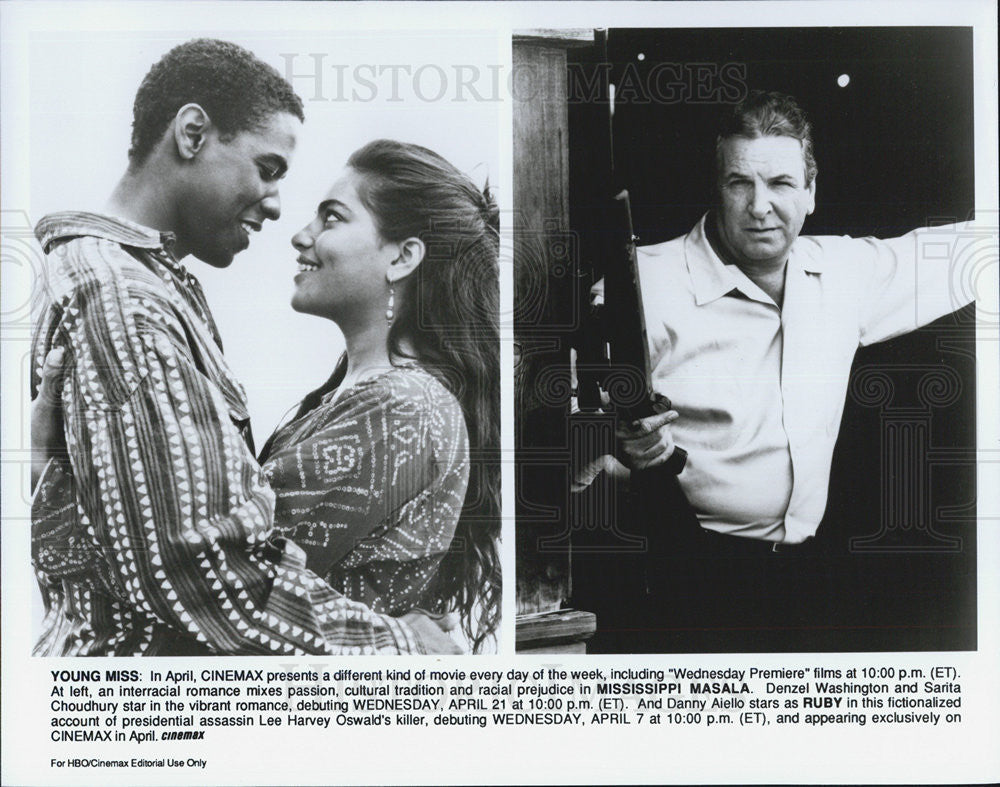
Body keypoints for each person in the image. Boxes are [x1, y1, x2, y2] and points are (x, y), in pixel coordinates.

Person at [29, 38, 462, 656]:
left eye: (332, 217)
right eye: (268, 167)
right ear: (192, 133)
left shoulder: (135, 287)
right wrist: (405, 645)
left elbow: (176, 547)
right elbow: (202, 570)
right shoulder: (124, 299)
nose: (283, 211)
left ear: (404, 257)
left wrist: (51, 487)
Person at [577, 90, 980, 647]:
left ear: (811, 193)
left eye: (781, 183)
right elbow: (567, 433)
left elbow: (970, 252)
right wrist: (620, 447)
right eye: (740, 183)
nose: (760, 206)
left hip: (807, 580)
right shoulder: (638, 287)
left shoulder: (845, 272)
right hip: (679, 580)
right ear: (716, 190)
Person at [257, 139, 501, 652]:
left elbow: (229, 571)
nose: (302, 237)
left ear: (403, 256)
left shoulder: (403, 408)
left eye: (332, 219)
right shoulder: (368, 396)